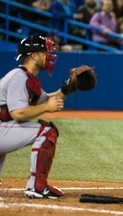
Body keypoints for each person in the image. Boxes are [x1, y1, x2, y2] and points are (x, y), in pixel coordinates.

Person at [0, 35, 66, 198]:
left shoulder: (27, 78)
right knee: (47, 131)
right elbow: (18, 113)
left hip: (3, 128)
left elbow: (49, 100)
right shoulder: (19, 76)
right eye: (45, 51)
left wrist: (69, 87)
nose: (49, 56)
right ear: (34, 55)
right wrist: (46, 108)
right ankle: (37, 186)